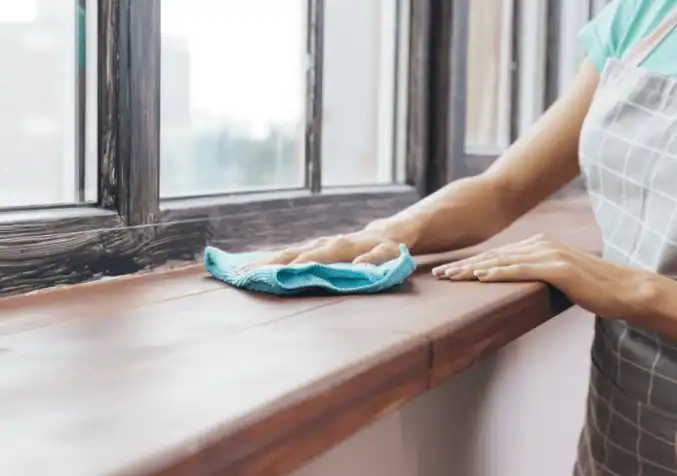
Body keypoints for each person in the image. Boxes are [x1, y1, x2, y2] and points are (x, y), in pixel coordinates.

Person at [247, 1, 677, 474]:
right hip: (626, 424)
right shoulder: (646, 15)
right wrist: (386, 233)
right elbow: (503, 189)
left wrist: (638, 290)